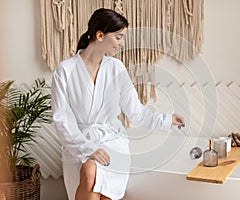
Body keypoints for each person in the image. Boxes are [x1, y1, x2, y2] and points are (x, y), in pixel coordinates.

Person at [51, 8, 185, 200]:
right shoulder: (65, 70)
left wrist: (166, 119)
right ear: (100, 35)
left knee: (98, 180)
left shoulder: (115, 68)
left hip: (112, 141)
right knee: (89, 171)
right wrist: (87, 148)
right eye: (119, 37)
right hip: (78, 142)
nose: (122, 44)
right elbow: (62, 119)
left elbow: (135, 111)